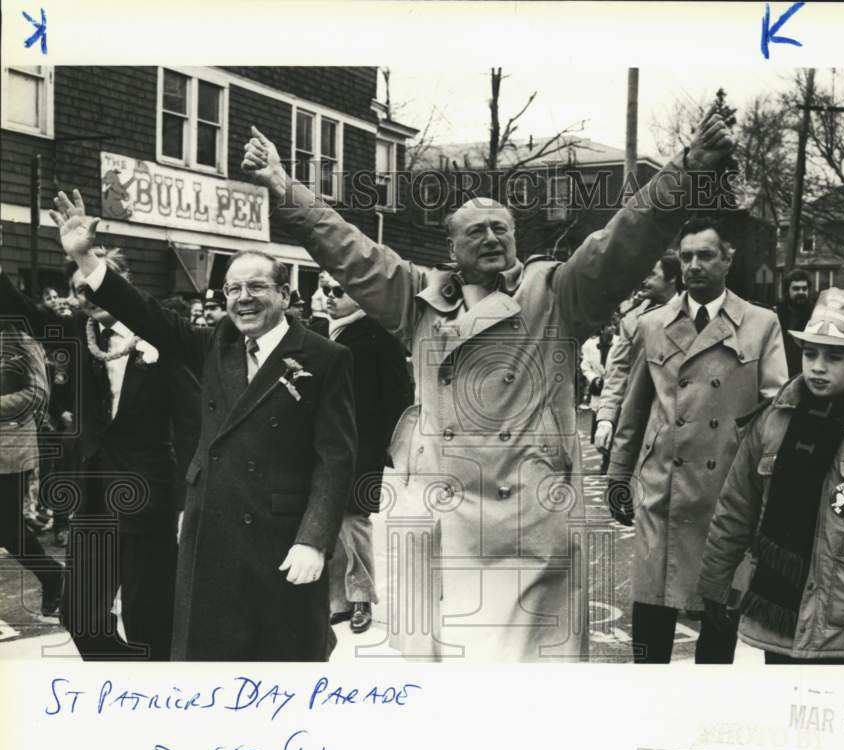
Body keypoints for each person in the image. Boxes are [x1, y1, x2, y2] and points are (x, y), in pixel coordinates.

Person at [242, 113, 737, 661]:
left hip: (522, 524)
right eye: (475, 230)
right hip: (435, 520)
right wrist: (285, 190)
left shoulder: (556, 294)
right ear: (450, 248)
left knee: (515, 686)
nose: (492, 236)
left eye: (502, 227)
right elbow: (348, 249)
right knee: (439, 680)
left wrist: (684, 171)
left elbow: (623, 241)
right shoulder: (418, 298)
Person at [49, 189, 358, 661]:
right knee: (206, 655)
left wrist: (314, 540)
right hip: (210, 529)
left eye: (256, 287)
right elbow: (144, 314)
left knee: (285, 655)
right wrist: (84, 257)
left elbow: (334, 458)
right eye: (233, 289)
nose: (243, 299)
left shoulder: (324, 357)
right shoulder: (216, 345)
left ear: (285, 294)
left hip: (281, 534)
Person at [698, 288, 844, 664]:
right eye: (810, 354)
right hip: (777, 615)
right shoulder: (771, 422)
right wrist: (714, 583)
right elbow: (734, 509)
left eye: (834, 356)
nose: (818, 366)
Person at [607, 215, 788, 664]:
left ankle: (709, 707)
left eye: (705, 255)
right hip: (662, 488)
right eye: (685, 256)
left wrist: (767, 489)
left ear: (728, 259)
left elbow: (775, 412)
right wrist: (617, 473)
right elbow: (634, 407)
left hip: (724, 489)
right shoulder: (651, 324)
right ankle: (649, 700)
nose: (693, 265)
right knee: (651, 608)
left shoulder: (760, 324)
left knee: (717, 612)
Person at [1, 253, 194, 660]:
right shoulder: (75, 334)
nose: (87, 297)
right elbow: (25, 313)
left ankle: (154, 697)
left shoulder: (162, 338)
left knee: (150, 621)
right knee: (82, 617)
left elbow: (193, 422)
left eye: (93, 285)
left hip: (149, 498)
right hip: (91, 499)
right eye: (78, 291)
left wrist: (188, 497)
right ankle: (127, 673)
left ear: (121, 284)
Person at [322, 278, 413, 634]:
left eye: (337, 291)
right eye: (324, 289)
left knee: (354, 520)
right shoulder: (321, 331)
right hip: (324, 444)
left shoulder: (378, 335)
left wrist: (389, 447)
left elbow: (398, 396)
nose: (328, 297)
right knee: (328, 519)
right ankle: (337, 601)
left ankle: (360, 599)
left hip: (363, 444)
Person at [0, 320, 64, 621]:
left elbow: (37, 394)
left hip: (8, 452)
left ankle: (53, 577)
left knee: (9, 532)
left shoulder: (20, 338)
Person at [593, 252, 682, 458]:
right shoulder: (632, 320)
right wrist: (606, 419)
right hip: (637, 424)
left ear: (672, 278)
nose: (643, 279)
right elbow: (618, 370)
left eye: (651, 274)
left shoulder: (694, 316)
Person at [580, 320, 618, 463]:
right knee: (600, 422)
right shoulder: (589, 345)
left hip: (614, 386)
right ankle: (604, 455)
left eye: (614, 325)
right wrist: (594, 379)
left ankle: (610, 459)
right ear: (602, 329)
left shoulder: (620, 342)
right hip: (598, 389)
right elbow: (585, 366)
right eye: (609, 325)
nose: (612, 328)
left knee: (613, 421)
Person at [774, 268, 814, 377]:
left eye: (804, 288)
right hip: (780, 371)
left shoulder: (815, 314)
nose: (801, 292)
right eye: (796, 289)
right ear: (787, 291)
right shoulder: (776, 314)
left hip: (806, 372)